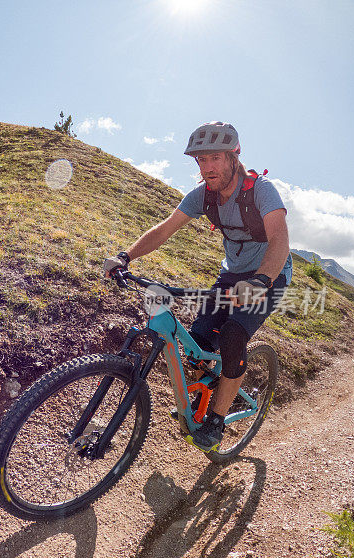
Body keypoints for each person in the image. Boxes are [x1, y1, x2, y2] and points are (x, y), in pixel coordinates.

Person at [103, 121, 292, 451]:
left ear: (234, 156)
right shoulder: (203, 196)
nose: (207, 168)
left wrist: (260, 281)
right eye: (201, 160)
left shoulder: (261, 190)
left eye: (215, 157)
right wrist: (125, 256)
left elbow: (279, 239)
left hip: (269, 275)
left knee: (233, 336)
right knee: (197, 345)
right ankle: (216, 383)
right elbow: (165, 229)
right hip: (231, 276)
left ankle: (217, 419)